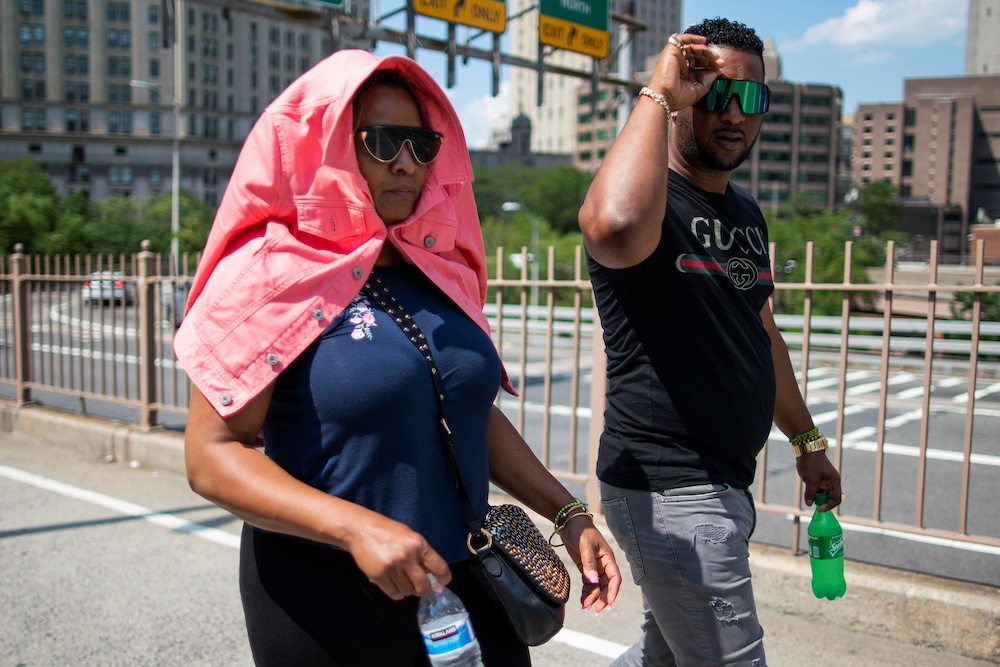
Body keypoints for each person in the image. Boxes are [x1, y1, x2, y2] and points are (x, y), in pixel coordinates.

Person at [174, 49, 621, 666]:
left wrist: (567, 511)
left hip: (467, 578)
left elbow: (465, 412)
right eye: (382, 142)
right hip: (326, 593)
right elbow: (211, 455)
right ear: (327, 148)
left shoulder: (439, 267)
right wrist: (353, 527)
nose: (408, 164)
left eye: (422, 144)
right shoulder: (267, 277)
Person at [578, 18, 843, 667]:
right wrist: (660, 93)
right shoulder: (649, 201)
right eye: (712, 92)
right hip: (670, 488)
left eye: (751, 98)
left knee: (663, 659)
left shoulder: (746, 214)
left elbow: (761, 331)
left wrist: (808, 442)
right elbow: (610, 226)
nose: (733, 112)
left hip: (723, 485)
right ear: (682, 96)